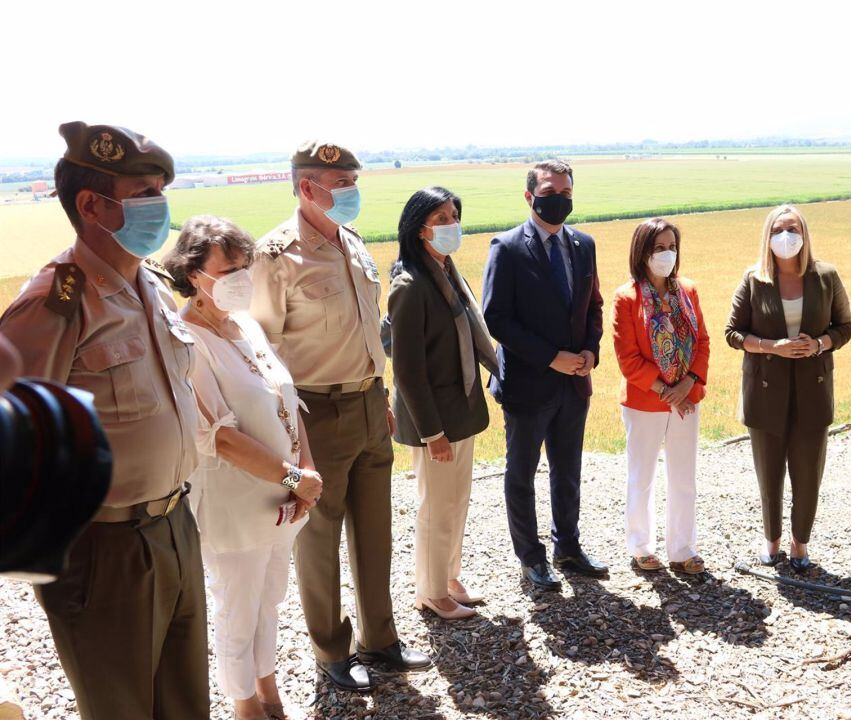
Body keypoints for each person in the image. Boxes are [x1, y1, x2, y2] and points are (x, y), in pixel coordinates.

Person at [0, 122, 208, 718]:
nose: (161, 207)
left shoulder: (149, 284)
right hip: (104, 548)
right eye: (145, 194)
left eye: (161, 191)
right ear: (92, 205)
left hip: (174, 523)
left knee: (186, 701)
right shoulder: (56, 300)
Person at [249, 141, 430, 693]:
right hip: (316, 412)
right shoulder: (276, 257)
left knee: (376, 534)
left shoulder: (350, 244)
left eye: (354, 180)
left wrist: (380, 397)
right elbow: (265, 354)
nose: (353, 192)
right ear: (307, 188)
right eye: (343, 182)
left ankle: (381, 640)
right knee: (319, 541)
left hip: (369, 405)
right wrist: (292, 438)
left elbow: (369, 329)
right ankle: (331, 650)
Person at [164, 216, 323, 720]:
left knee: (269, 600)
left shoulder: (246, 324)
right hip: (236, 504)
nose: (242, 277)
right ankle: (244, 706)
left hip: (286, 498)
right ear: (193, 276)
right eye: (229, 269)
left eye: (245, 266)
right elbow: (223, 438)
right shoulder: (187, 342)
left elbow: (289, 403)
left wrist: (307, 473)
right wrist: (297, 479)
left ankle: (269, 688)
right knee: (237, 610)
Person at [482, 159, 608, 592]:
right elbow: (496, 318)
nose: (560, 201)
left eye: (567, 194)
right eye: (551, 193)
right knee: (522, 473)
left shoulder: (583, 244)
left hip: (575, 383)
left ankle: (568, 548)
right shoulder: (508, 247)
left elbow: (594, 305)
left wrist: (590, 351)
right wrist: (550, 357)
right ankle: (531, 559)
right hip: (528, 384)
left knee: (567, 470)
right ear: (530, 195)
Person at [384, 187, 499, 620]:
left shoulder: (447, 273)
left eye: (455, 214)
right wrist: (433, 433)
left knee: (456, 501)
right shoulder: (411, 286)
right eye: (442, 217)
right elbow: (408, 371)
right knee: (436, 505)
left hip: (460, 410)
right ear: (419, 229)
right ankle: (432, 592)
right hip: (433, 420)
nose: (453, 224)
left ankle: (449, 577)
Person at [725, 204, 851, 572]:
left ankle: (800, 545)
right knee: (769, 474)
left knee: (808, 472)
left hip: (813, 389)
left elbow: (844, 326)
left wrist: (818, 344)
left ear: (805, 233)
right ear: (768, 236)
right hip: (765, 391)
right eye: (779, 229)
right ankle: (772, 541)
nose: (786, 236)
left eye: (793, 228)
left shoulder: (826, 276)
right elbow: (732, 333)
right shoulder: (754, 279)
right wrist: (771, 347)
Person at [612, 218, 710, 575]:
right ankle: (641, 547)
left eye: (671, 247)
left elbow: (702, 342)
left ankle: (683, 549)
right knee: (642, 476)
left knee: (684, 476)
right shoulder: (628, 297)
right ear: (643, 253)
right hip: (645, 402)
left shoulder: (688, 290)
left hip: (687, 398)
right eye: (659, 248)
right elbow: (628, 359)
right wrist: (667, 391)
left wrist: (689, 384)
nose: (667, 254)